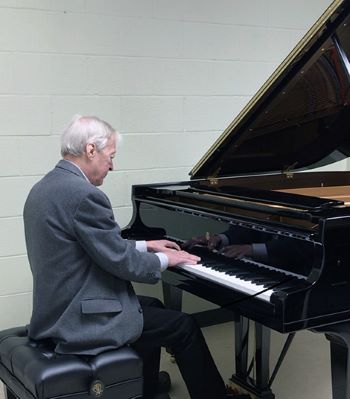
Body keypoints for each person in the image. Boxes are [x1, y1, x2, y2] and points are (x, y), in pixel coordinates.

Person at [23, 115, 244, 399]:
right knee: (183, 326)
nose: (112, 166)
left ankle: (144, 388)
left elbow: (96, 245)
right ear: (91, 150)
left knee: (153, 305)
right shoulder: (83, 195)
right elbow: (121, 263)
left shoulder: (46, 187)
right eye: (110, 156)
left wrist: (146, 245)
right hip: (77, 320)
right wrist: (168, 260)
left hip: (57, 307)